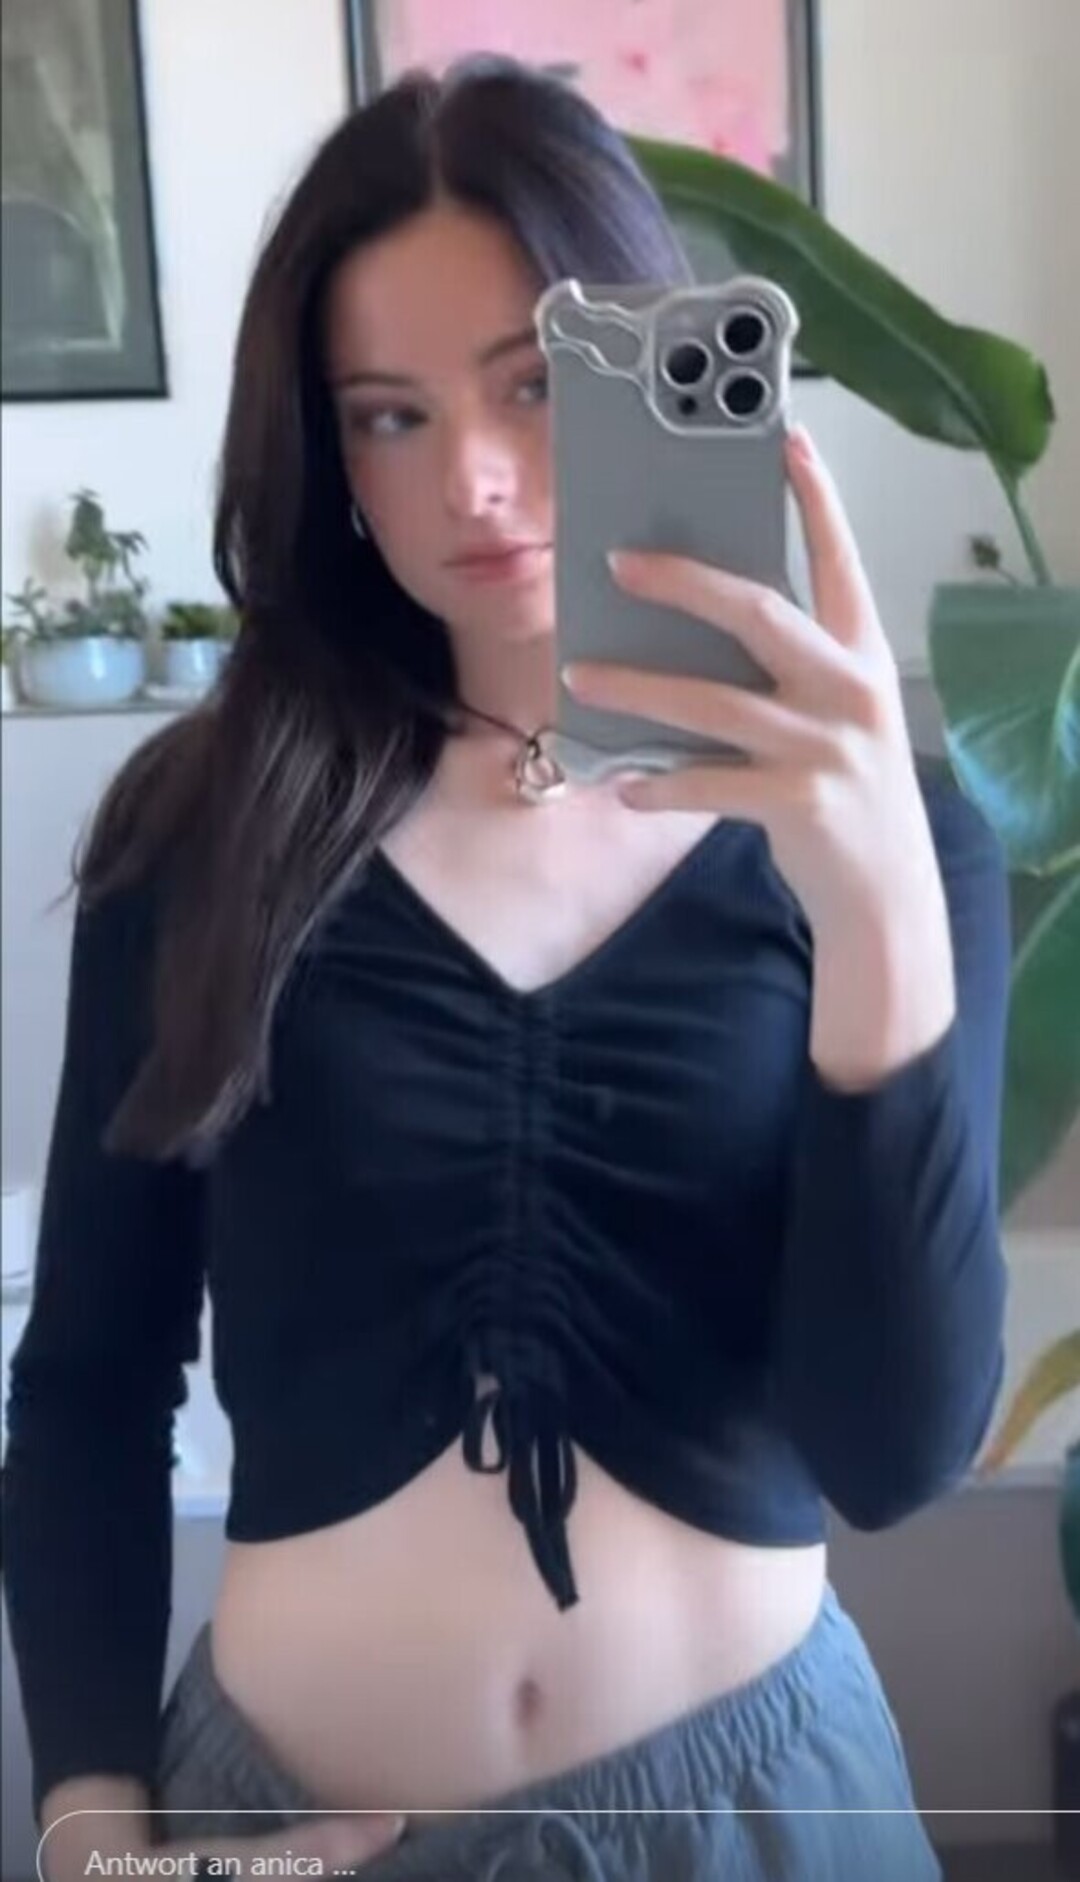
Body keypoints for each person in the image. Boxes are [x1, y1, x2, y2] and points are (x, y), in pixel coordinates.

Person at [3, 54, 1011, 1882]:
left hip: (760, 1820)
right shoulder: (201, 835)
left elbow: (893, 1451)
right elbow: (86, 1378)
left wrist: (873, 906)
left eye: (533, 385)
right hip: (283, 1823)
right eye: (385, 416)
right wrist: (85, 1823)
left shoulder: (894, 836)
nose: (468, 477)